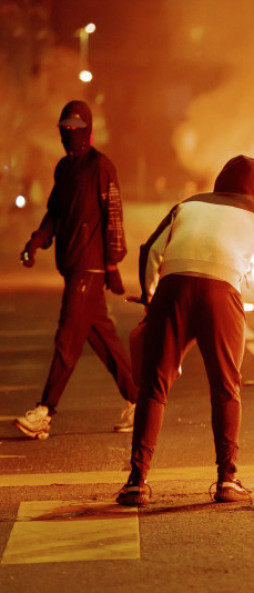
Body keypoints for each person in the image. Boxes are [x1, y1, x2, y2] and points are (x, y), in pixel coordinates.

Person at [115, 155, 254, 507]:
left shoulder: (188, 204)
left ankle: (136, 482)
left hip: (173, 290)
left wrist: (151, 300)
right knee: (225, 387)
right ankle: (226, 480)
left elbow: (150, 251)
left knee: (154, 386)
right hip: (220, 294)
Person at [14, 100, 137, 440]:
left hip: (91, 267)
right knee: (102, 338)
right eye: (65, 128)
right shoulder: (65, 170)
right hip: (72, 265)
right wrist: (37, 241)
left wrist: (113, 262)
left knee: (67, 337)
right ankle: (139, 401)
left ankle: (45, 411)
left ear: (88, 129)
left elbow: (113, 216)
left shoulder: (102, 167)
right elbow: (55, 212)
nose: (70, 133)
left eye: (76, 128)